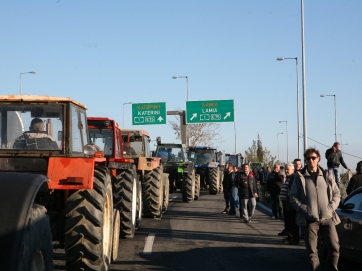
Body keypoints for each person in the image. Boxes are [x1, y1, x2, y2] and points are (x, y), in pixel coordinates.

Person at [290, 147, 340, 271]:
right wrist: (305, 209)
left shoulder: (326, 174)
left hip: (327, 218)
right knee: (312, 251)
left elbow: (336, 193)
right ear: (305, 160)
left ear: (318, 159)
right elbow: (293, 197)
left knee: (334, 247)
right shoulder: (300, 176)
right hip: (310, 220)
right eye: (308, 158)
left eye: (313, 158)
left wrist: (331, 207)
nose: (311, 160)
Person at [279, 163, 299, 244]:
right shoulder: (288, 178)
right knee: (287, 221)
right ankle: (289, 237)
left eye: (288, 169)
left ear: (293, 170)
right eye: (286, 169)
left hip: (291, 203)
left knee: (292, 222)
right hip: (286, 203)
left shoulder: (294, 178)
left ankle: (294, 239)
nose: (286, 171)